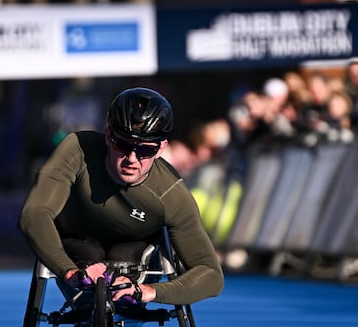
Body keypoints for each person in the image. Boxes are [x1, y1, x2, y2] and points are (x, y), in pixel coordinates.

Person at [18, 87, 224, 307]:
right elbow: (34, 214)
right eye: (122, 145)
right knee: (88, 251)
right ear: (108, 136)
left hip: (134, 263)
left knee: (125, 253)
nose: (132, 159)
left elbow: (211, 275)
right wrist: (69, 272)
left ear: (161, 147)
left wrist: (150, 291)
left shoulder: (171, 194)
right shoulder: (77, 149)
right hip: (77, 255)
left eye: (145, 150)